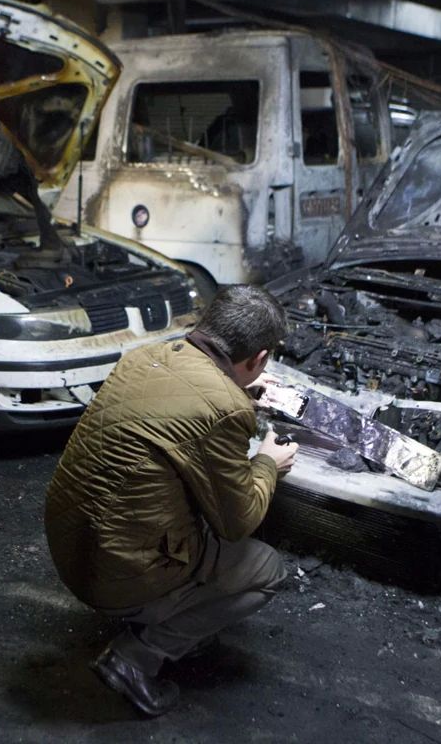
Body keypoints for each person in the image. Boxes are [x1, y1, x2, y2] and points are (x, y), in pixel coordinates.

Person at [44, 284, 298, 717]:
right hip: (113, 576)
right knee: (267, 570)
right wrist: (269, 463)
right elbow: (239, 521)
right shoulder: (225, 409)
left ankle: (156, 611)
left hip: (69, 543)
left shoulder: (144, 356)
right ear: (257, 359)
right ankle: (134, 660)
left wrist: (239, 390)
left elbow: (180, 408)